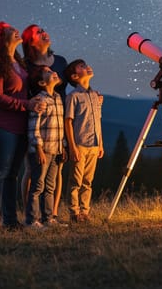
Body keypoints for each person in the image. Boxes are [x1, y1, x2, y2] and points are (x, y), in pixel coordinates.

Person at [0, 22, 41, 234]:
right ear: (0, 37)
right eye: (9, 28)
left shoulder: (18, 63)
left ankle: (10, 221)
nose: (15, 29)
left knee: (12, 174)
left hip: (21, 126)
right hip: (3, 126)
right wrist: (27, 105)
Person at [20, 24, 68, 220]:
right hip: (38, 121)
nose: (44, 33)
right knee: (33, 172)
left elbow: (75, 83)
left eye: (43, 30)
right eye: (38, 32)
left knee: (55, 174)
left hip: (58, 120)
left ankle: (51, 215)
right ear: (30, 42)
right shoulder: (25, 65)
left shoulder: (61, 62)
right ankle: (30, 215)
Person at [24, 65, 67, 228]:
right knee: (37, 186)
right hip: (42, 150)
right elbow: (33, 127)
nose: (54, 72)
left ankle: (48, 219)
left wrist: (62, 147)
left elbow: (60, 126)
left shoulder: (58, 98)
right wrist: (39, 149)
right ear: (42, 83)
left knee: (50, 186)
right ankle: (31, 220)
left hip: (56, 149)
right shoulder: (40, 100)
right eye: (48, 72)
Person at [63, 59, 103, 223]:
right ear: (74, 76)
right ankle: (74, 212)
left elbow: (98, 121)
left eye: (85, 64)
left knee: (88, 181)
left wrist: (100, 144)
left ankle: (84, 212)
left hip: (94, 145)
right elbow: (68, 121)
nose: (87, 66)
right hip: (79, 144)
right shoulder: (73, 96)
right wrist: (72, 147)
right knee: (76, 181)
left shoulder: (95, 95)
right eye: (82, 66)